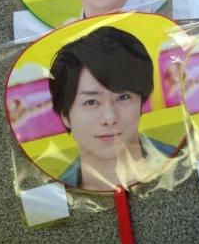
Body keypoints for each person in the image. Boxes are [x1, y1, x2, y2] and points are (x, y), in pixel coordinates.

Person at [49, 26, 175, 191]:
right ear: (65, 115)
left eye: (123, 97)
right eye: (91, 102)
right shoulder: (54, 195)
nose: (109, 118)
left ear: (141, 103)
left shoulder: (184, 161)